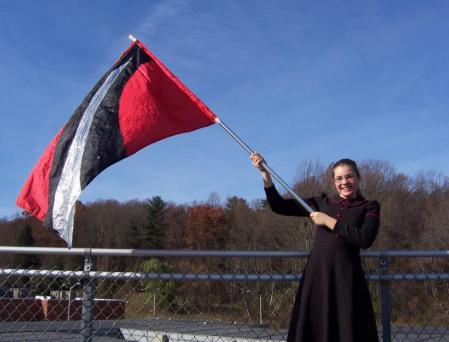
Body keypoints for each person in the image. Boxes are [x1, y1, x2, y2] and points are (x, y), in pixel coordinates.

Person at [251, 153, 380, 342]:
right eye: (339, 178)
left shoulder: (369, 207)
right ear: (333, 182)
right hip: (318, 276)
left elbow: (365, 239)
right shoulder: (321, 202)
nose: (345, 182)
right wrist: (265, 175)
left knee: (349, 328)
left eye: (349, 176)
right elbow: (279, 206)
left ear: (358, 178)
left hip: (347, 279)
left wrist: (328, 221)